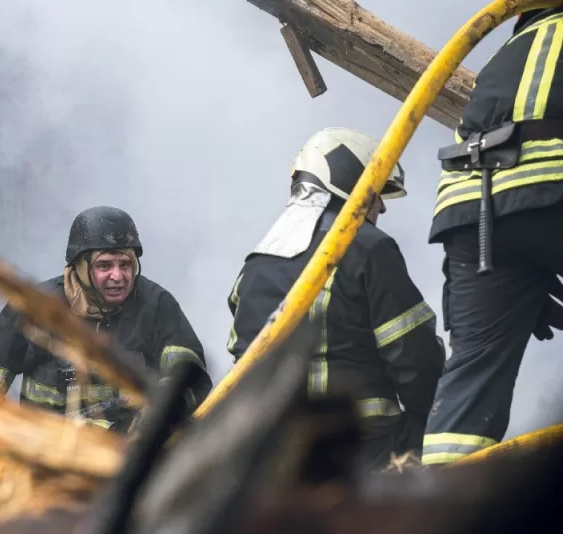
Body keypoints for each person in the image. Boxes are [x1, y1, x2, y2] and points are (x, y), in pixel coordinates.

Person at [226, 127, 445, 472]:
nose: (382, 207)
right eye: (376, 192)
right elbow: (416, 358)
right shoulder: (367, 247)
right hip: (366, 453)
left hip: (274, 461)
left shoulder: (253, 266)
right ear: (349, 183)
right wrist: (438, 422)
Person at [421, 7, 563, 466]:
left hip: (474, 216)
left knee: (471, 382)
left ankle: (437, 509)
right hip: (551, 190)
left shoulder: (508, 49)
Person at [0, 206, 213, 430]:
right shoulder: (34, 308)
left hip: (128, 457)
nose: (118, 276)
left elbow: (190, 374)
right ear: (80, 267)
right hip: (47, 455)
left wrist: (162, 411)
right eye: (104, 266)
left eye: (125, 264)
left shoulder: (157, 305)